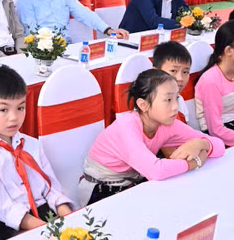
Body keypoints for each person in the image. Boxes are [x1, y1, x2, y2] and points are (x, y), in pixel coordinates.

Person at [80, 68, 225, 204]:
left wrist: (201, 144)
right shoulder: (127, 126)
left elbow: (220, 146)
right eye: (168, 100)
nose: (175, 106)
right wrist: (196, 162)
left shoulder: (168, 123)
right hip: (101, 189)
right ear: (143, 105)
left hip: (133, 181)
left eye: (177, 98)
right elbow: (156, 171)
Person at [0, 66, 73, 240]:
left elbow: (51, 188)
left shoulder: (31, 144)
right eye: (4, 110)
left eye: (20, 108)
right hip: (2, 225)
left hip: (40, 211)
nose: (14, 118)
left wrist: (69, 218)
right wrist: (51, 232)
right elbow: (3, 209)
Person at [153, 41, 193, 124]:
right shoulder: (149, 106)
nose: (180, 78)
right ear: (155, 72)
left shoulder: (179, 99)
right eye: (173, 71)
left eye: (185, 72)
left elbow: (188, 131)